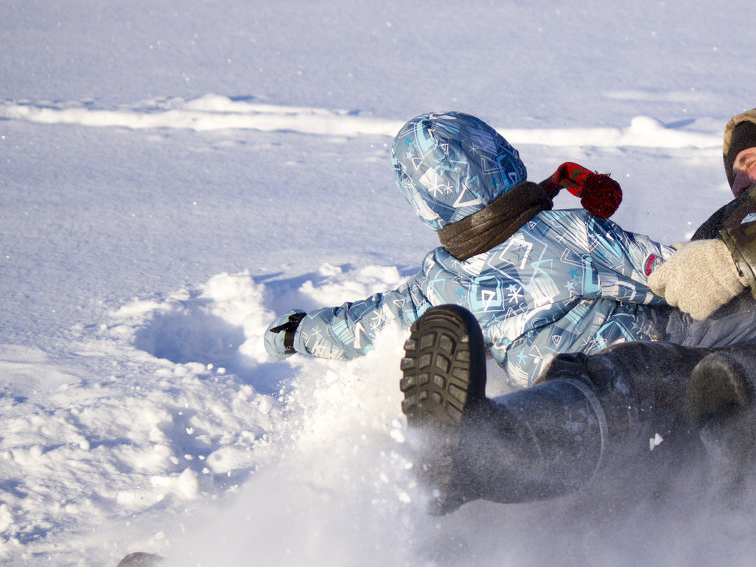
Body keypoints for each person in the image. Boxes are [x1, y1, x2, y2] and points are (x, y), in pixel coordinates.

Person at [399, 92, 756, 514]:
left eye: (754, 159)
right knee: (633, 377)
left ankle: (503, 451)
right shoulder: (729, 224)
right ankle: (488, 453)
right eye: (733, 168)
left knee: (694, 376)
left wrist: (738, 263)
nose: (740, 176)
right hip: (716, 358)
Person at [263, 111, 677, 388]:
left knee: (552, 407)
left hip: (552, 391)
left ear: (423, 202)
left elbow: (364, 326)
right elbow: (670, 274)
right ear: (502, 155)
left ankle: (484, 431)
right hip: (645, 369)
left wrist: (297, 332)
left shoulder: (437, 286)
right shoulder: (572, 234)